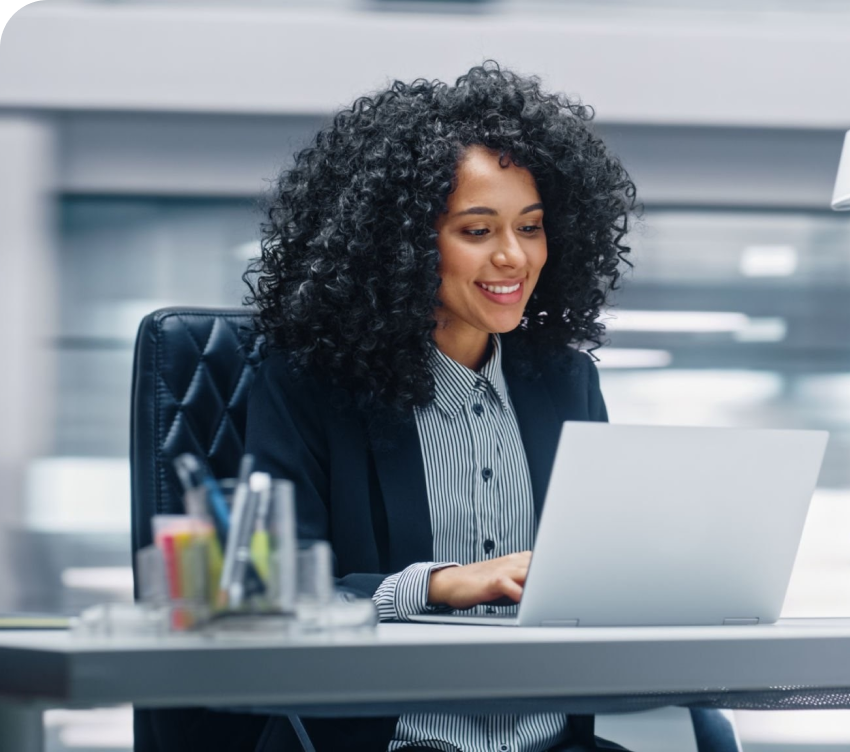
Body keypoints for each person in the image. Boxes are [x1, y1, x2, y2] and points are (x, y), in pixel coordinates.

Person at [243, 62, 637, 752]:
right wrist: (435, 585)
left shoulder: (565, 383)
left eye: (533, 226)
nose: (515, 257)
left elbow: (594, 575)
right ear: (400, 245)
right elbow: (267, 601)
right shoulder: (311, 386)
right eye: (477, 231)